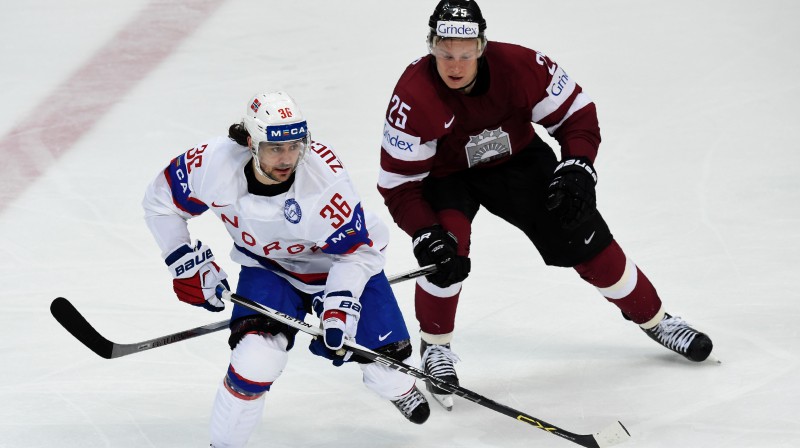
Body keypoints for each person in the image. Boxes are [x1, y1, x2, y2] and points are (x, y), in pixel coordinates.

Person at [377, 0, 714, 411]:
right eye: (445, 53)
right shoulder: (413, 97)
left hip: (518, 160)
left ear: (482, 46)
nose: (456, 64)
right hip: (446, 176)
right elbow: (399, 186)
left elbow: (577, 114)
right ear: (431, 46)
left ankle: (657, 320)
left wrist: (576, 166)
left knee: (582, 234)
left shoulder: (521, 66)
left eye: (466, 54)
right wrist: (425, 233)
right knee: (447, 249)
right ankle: (435, 346)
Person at [143, 91, 430, 447]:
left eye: (295, 146)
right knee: (255, 360)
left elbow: (356, 255)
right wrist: (184, 260)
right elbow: (160, 201)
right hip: (269, 268)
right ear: (250, 142)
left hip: (341, 264)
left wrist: (339, 307)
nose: (287, 159)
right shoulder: (212, 163)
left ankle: (398, 387)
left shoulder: (325, 185)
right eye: (275, 148)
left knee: (389, 369)